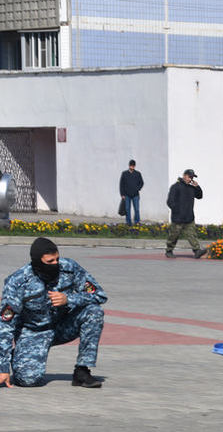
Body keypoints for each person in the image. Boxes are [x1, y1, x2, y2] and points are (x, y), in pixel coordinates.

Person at [0, 238, 105, 388]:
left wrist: (69, 299)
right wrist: (2, 367)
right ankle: (20, 355)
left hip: (62, 326)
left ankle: (82, 371)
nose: (55, 264)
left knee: (94, 312)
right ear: (37, 262)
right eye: (50, 261)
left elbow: (99, 295)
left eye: (57, 259)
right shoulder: (18, 282)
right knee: (28, 380)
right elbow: (5, 324)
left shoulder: (69, 268)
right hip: (34, 332)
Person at [165, 169, 207, 259]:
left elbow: (200, 196)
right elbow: (170, 201)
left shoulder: (191, 188)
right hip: (178, 217)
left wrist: (197, 186)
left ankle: (197, 251)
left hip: (189, 217)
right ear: (184, 176)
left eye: (192, 177)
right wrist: (176, 210)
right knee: (174, 235)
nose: (191, 179)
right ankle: (169, 250)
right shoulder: (175, 187)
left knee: (192, 234)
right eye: (189, 177)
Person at [119, 159, 144, 226]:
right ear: (129, 165)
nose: (132, 167)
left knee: (137, 209)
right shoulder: (124, 174)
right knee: (127, 209)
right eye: (131, 165)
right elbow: (121, 184)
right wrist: (122, 194)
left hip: (135, 195)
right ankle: (128, 222)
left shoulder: (138, 174)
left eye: (133, 166)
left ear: (134, 166)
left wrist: (138, 189)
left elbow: (141, 183)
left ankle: (137, 222)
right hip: (127, 195)